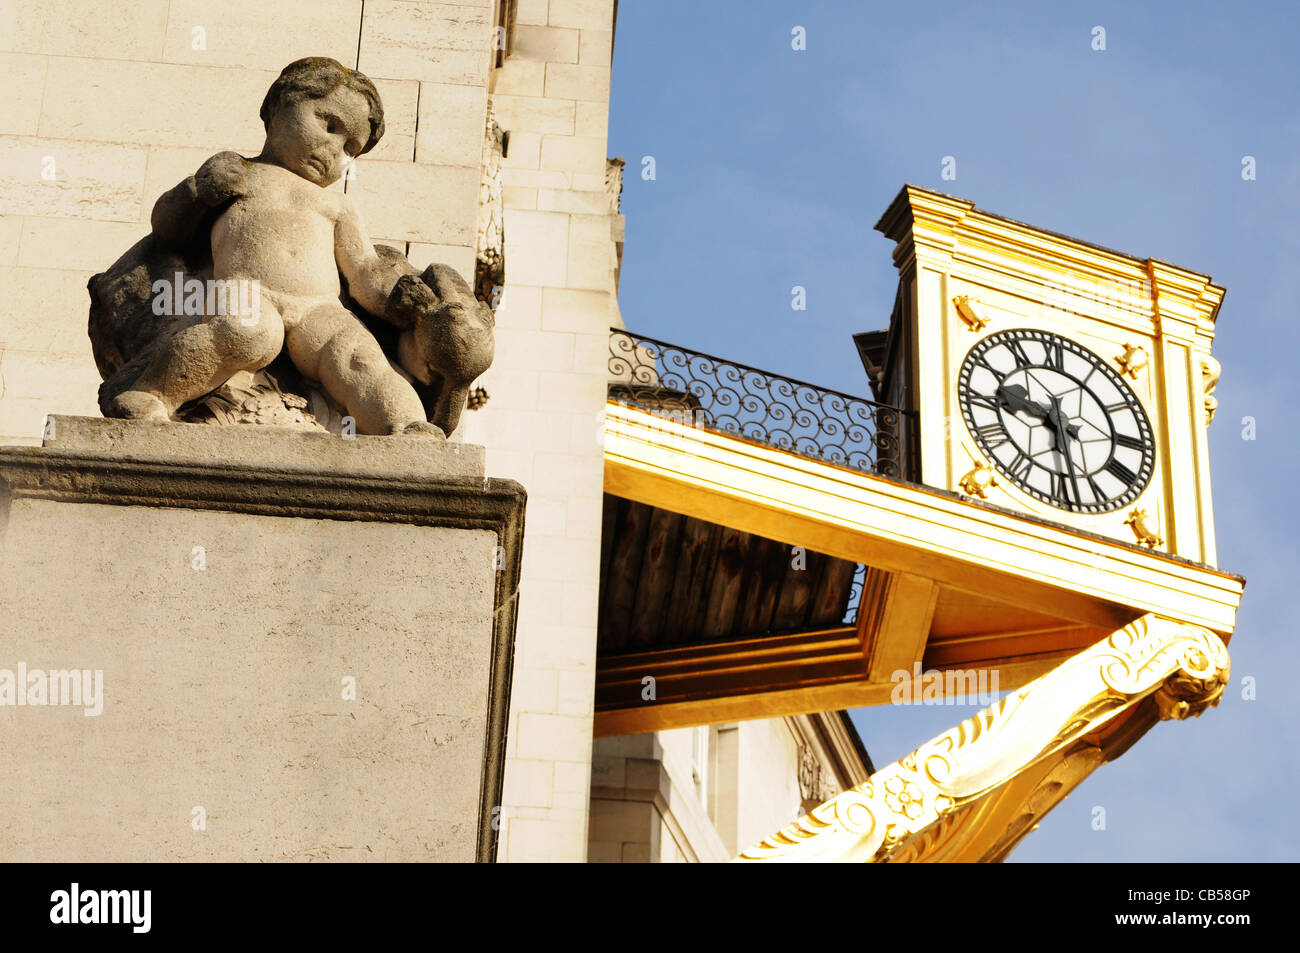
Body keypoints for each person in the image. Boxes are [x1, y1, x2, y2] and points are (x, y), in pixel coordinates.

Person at [109, 57, 445, 436]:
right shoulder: (240, 173)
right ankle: (153, 394)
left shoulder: (337, 205)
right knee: (246, 332)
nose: (335, 150)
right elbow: (166, 227)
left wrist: (395, 298)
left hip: (319, 306)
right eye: (328, 124)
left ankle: (404, 426)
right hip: (246, 291)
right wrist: (199, 191)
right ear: (277, 105)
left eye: (351, 147)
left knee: (359, 356)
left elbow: (363, 269)